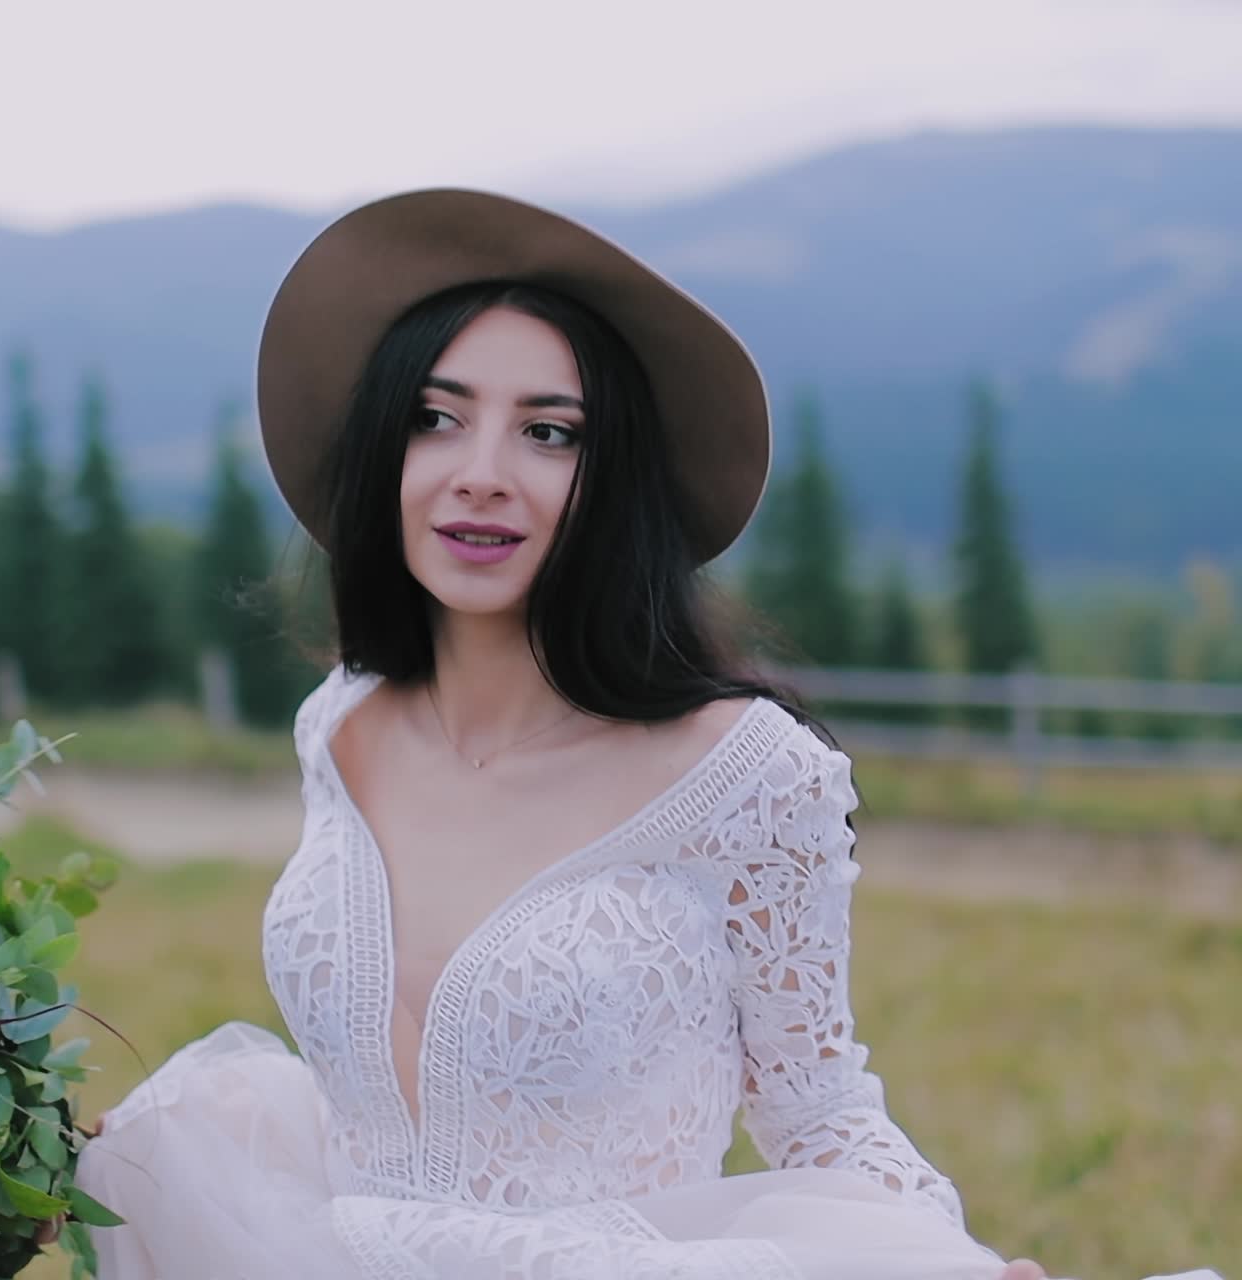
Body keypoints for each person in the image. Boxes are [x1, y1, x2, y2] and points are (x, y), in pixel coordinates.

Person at [71, 190, 1221, 1280]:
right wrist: (172, 1142)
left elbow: (814, 1104)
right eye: (437, 417)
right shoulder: (340, 723)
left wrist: (945, 1259)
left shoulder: (747, 773)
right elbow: (384, 1081)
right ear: (387, 452)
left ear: (611, 479)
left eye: (549, 432)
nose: (481, 476)